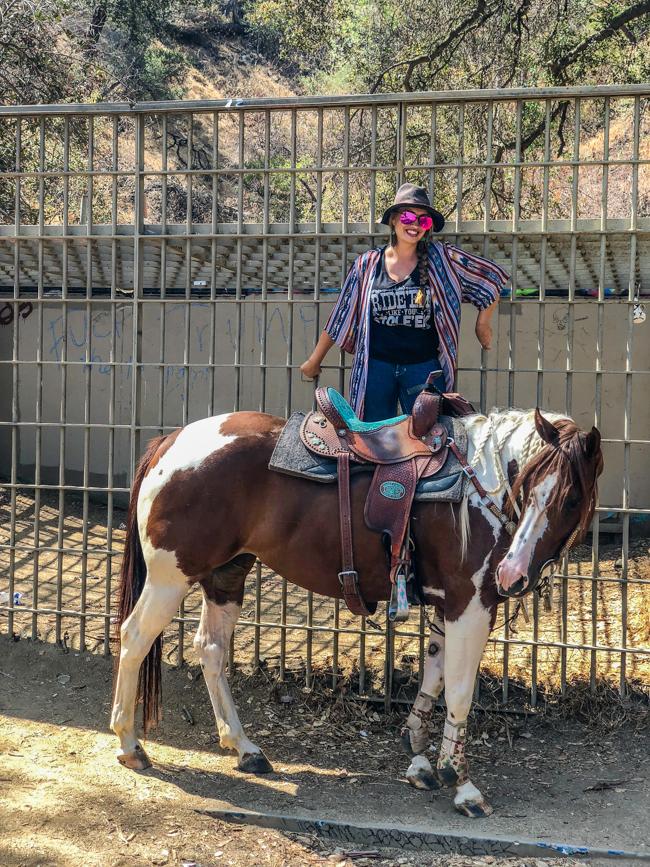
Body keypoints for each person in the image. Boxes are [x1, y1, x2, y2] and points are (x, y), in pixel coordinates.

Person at [300, 183, 509, 422]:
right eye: (408, 216)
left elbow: (491, 278)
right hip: (376, 369)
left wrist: (482, 325)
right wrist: (314, 361)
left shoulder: (442, 259)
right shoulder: (367, 265)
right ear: (392, 220)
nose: (415, 225)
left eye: (424, 221)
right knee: (372, 440)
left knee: (433, 440)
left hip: (424, 370)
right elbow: (341, 316)